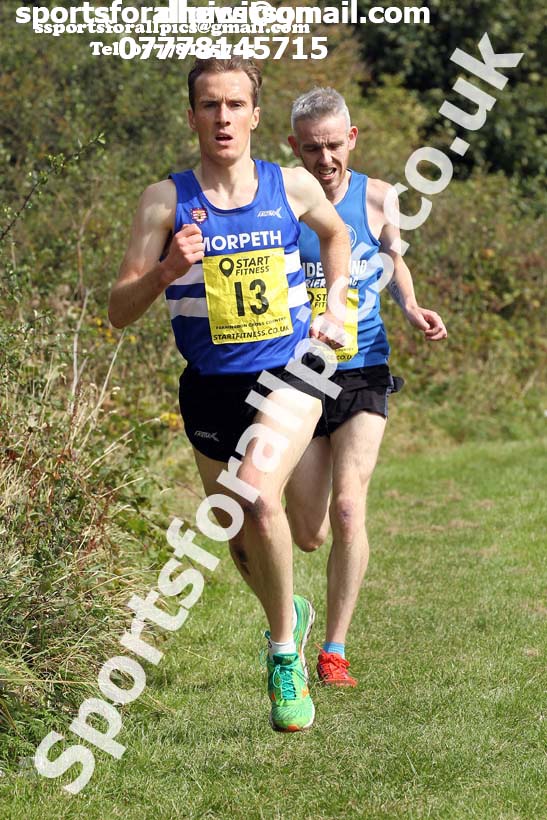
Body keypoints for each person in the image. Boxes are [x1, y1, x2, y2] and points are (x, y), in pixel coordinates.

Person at [108, 61, 351, 732]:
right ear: (190, 117)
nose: (221, 117)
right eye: (208, 105)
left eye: (234, 104)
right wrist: (166, 271)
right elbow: (118, 310)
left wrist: (336, 305)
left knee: (254, 496)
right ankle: (291, 615)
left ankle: (282, 656)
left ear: (254, 116)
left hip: (292, 372)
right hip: (208, 388)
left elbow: (336, 235)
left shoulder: (292, 184)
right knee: (241, 538)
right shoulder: (164, 201)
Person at [285, 87, 447, 686]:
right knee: (309, 534)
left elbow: (394, 259)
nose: (323, 159)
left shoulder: (380, 196)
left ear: (351, 139)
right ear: (293, 146)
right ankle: (299, 615)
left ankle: (334, 651)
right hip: (298, 373)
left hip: (364, 368)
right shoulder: (281, 200)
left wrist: (410, 305)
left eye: (332, 146)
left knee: (349, 506)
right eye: (310, 148)